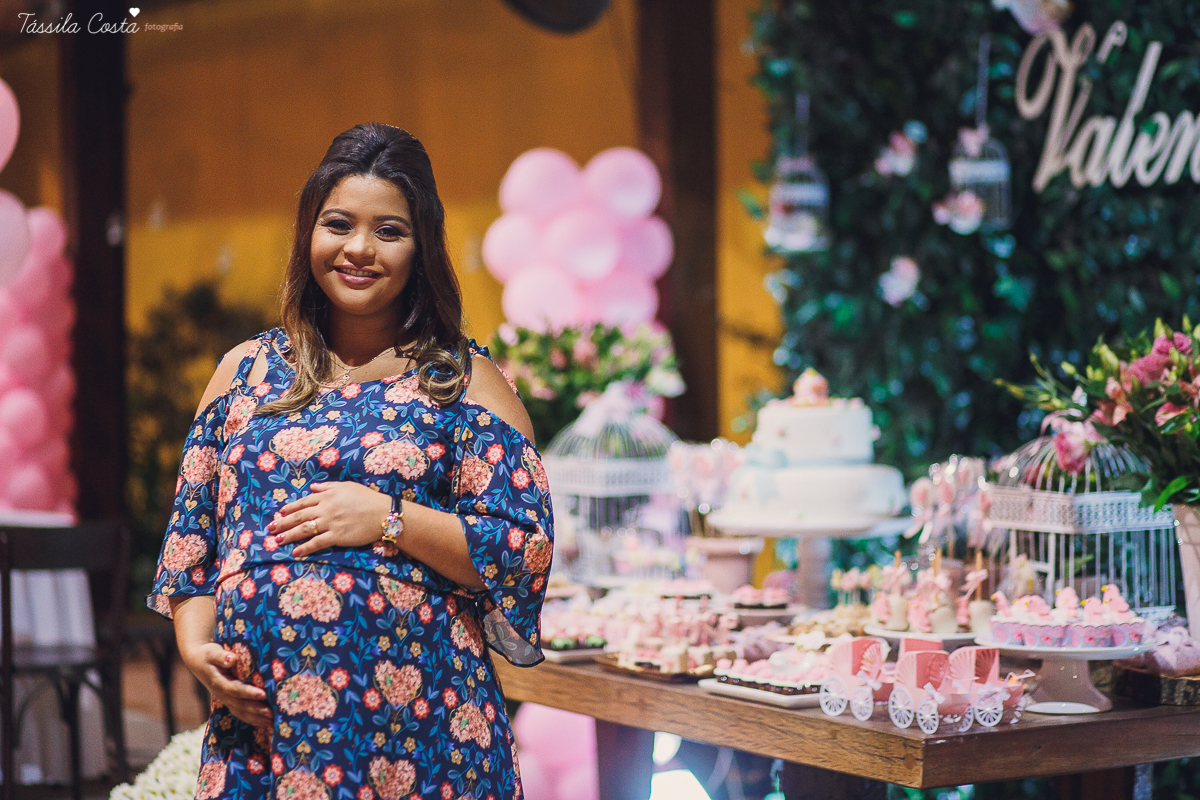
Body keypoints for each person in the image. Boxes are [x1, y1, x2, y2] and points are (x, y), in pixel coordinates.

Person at [148, 123, 553, 799]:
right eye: (339, 224)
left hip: (420, 733)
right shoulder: (242, 373)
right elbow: (192, 544)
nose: (359, 249)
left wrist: (387, 517)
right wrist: (197, 649)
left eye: (389, 231)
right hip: (268, 738)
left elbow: (521, 550)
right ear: (310, 231)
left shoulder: (465, 383)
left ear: (422, 245)